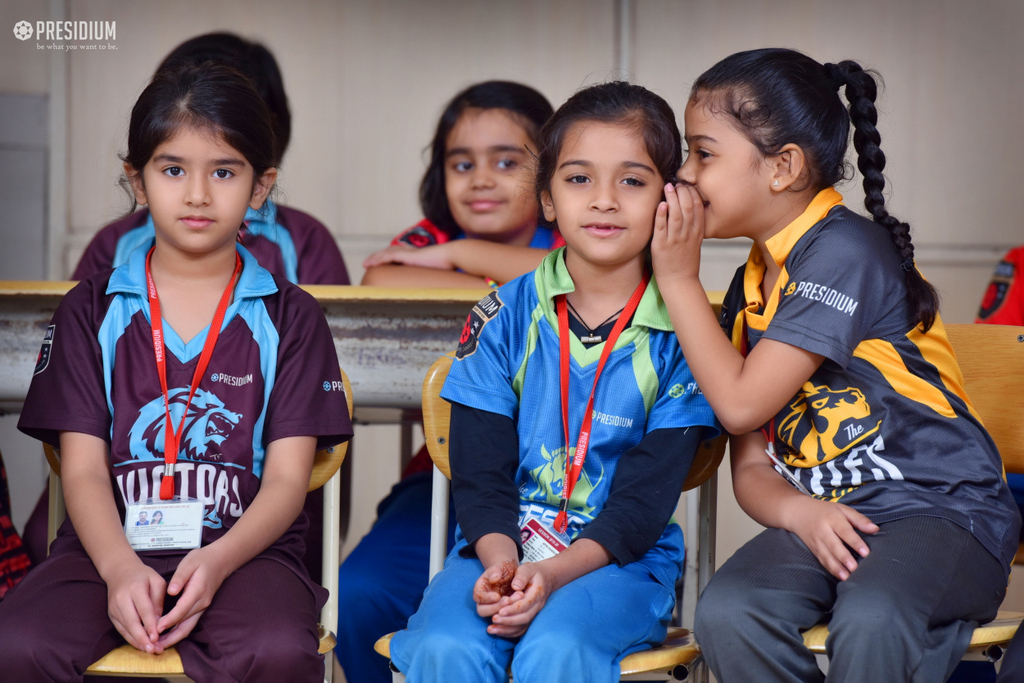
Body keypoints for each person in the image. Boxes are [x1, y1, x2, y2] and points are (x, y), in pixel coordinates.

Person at [649, 48, 1020, 682]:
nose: (681, 177)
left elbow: (740, 403)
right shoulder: (753, 287)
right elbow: (750, 459)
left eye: (702, 154)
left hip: (946, 513)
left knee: (874, 617)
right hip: (835, 520)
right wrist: (800, 512)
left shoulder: (845, 249)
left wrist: (679, 280)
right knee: (730, 611)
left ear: (783, 167)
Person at [0, 64, 352, 683]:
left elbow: (287, 483)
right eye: (172, 170)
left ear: (260, 187)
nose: (197, 194)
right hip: (103, 547)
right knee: (19, 642)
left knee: (275, 649)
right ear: (137, 181)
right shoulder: (91, 308)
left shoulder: (292, 316)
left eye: (224, 171)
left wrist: (216, 562)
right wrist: (117, 568)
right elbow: (81, 469)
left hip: (248, 554)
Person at [388, 81, 718, 683]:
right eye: (579, 179)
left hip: (619, 563)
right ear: (546, 198)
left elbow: (643, 506)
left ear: (669, 198)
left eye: (633, 180)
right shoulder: (502, 316)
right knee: (445, 648)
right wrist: (501, 564)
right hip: (499, 548)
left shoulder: (689, 335)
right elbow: (480, 476)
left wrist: (553, 574)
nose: (605, 201)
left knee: (556, 649)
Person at [335, 80, 557, 683]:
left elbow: (591, 271)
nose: (481, 178)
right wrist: (490, 273)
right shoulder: (427, 238)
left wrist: (468, 253)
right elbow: (383, 284)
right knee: (357, 592)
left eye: (507, 161)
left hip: (571, 492)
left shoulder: (574, 232)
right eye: (463, 163)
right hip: (446, 482)